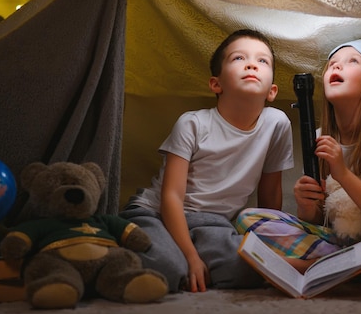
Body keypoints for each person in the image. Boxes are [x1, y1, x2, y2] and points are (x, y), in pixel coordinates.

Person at [236, 38, 361, 273]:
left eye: (352, 61)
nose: (336, 67)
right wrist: (306, 205)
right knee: (248, 219)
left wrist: (341, 173)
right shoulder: (319, 136)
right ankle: (344, 267)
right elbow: (317, 219)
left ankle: (310, 267)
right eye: (332, 63)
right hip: (335, 241)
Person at [120, 29, 294, 292]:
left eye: (263, 61)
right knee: (168, 265)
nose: (251, 64)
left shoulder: (276, 124)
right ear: (216, 84)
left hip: (213, 224)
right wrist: (191, 257)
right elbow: (171, 198)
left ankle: (200, 266)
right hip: (157, 213)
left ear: (272, 91)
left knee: (249, 266)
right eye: (238, 58)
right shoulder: (193, 123)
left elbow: (270, 194)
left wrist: (268, 247)